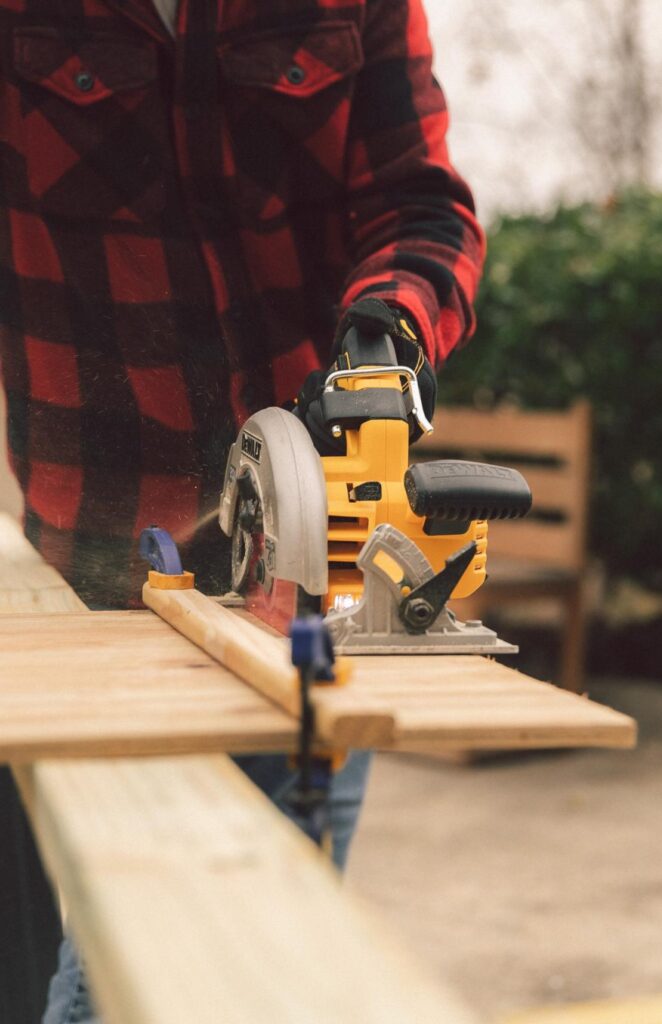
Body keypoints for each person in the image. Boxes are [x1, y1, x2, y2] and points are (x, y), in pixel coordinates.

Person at [0, 1, 484, 1021]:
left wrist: (386, 332)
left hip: (305, 594)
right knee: (112, 974)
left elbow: (418, 205)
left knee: (259, 972)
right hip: (90, 588)